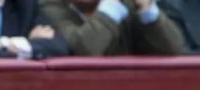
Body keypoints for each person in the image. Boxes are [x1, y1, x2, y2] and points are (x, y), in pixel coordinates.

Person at [39, 0, 185, 55]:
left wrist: (148, 11)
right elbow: (83, 49)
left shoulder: (127, 5)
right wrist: (110, 9)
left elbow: (174, 49)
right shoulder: (49, 8)